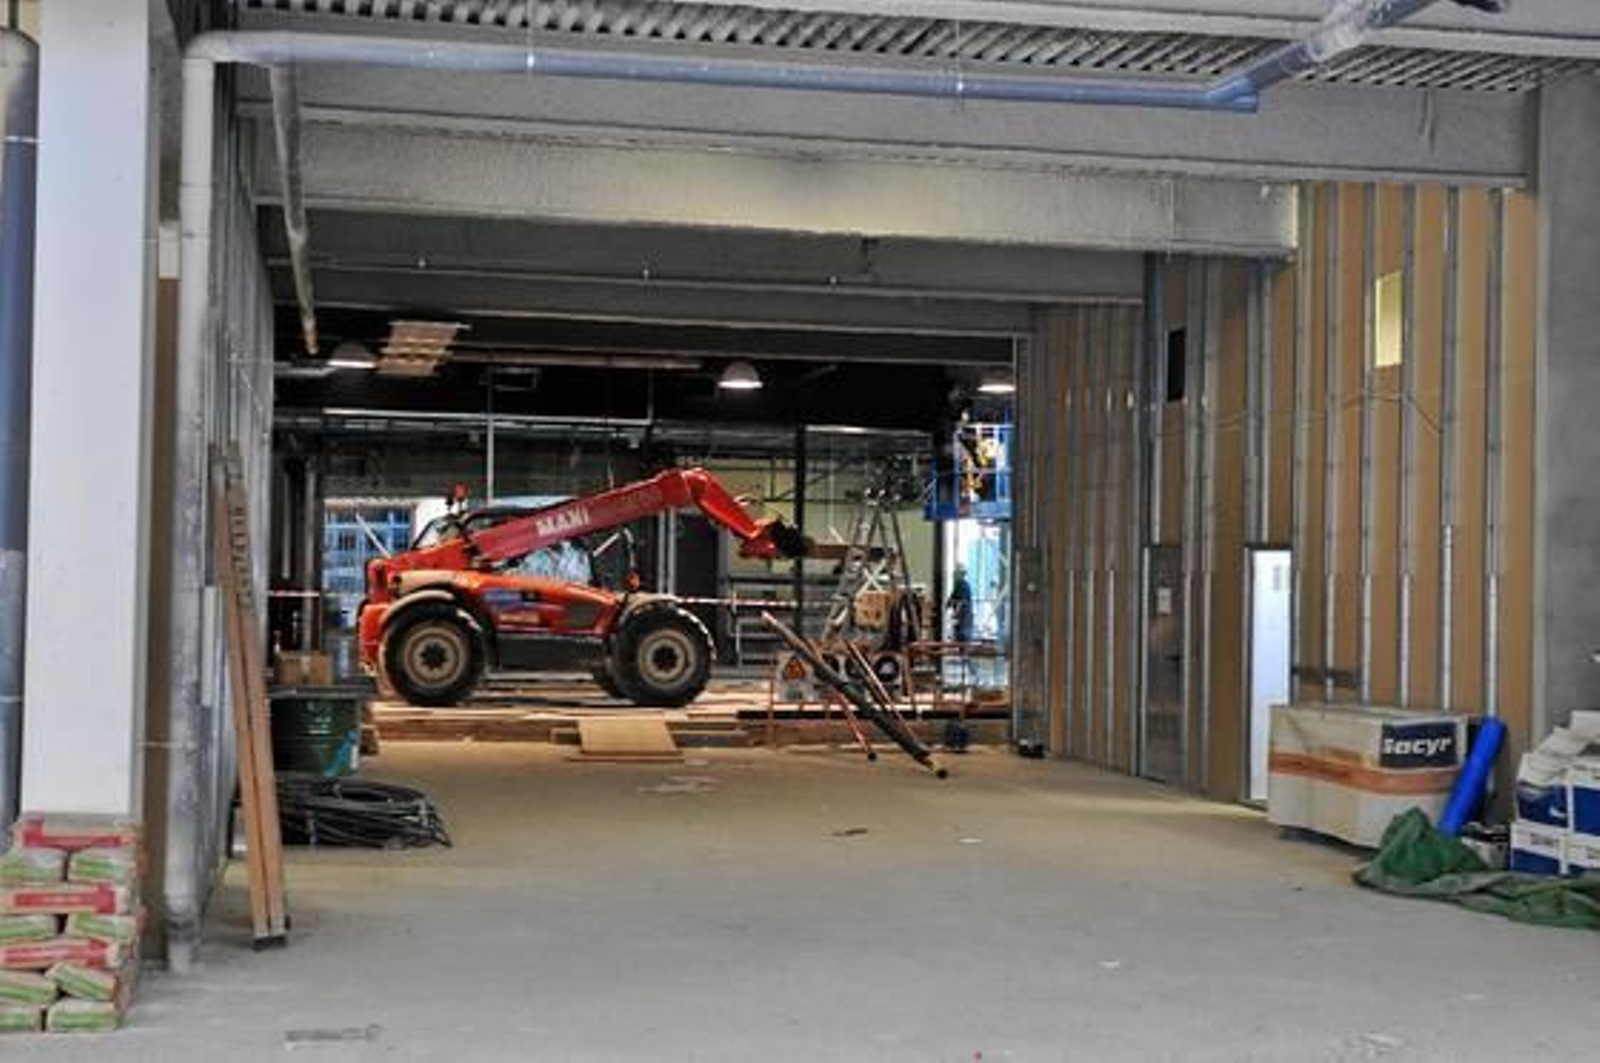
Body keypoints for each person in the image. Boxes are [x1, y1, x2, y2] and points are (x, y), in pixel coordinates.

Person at [946, 564, 974, 644]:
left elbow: (960, 602)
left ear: (960, 574)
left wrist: (955, 614)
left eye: (955, 573)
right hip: (962, 619)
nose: (953, 575)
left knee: (963, 640)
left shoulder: (963, 585)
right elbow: (951, 600)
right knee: (959, 639)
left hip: (964, 618)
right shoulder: (958, 585)